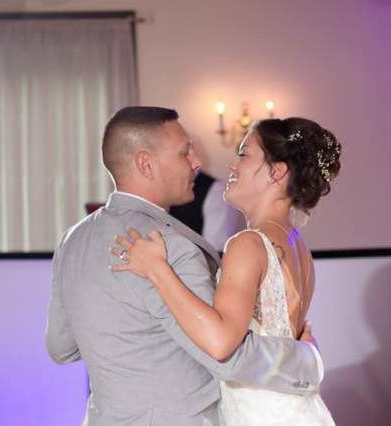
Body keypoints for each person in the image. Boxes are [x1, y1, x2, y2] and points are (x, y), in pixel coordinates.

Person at [45, 107, 324, 426]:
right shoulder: (170, 246)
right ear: (145, 164)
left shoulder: (73, 240)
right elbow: (225, 357)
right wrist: (308, 361)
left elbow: (60, 348)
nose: (197, 162)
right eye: (184, 153)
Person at [110, 117, 341, 425]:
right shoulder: (297, 244)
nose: (232, 167)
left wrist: (157, 270)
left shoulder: (248, 243)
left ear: (277, 172)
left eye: (244, 155)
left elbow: (220, 343)